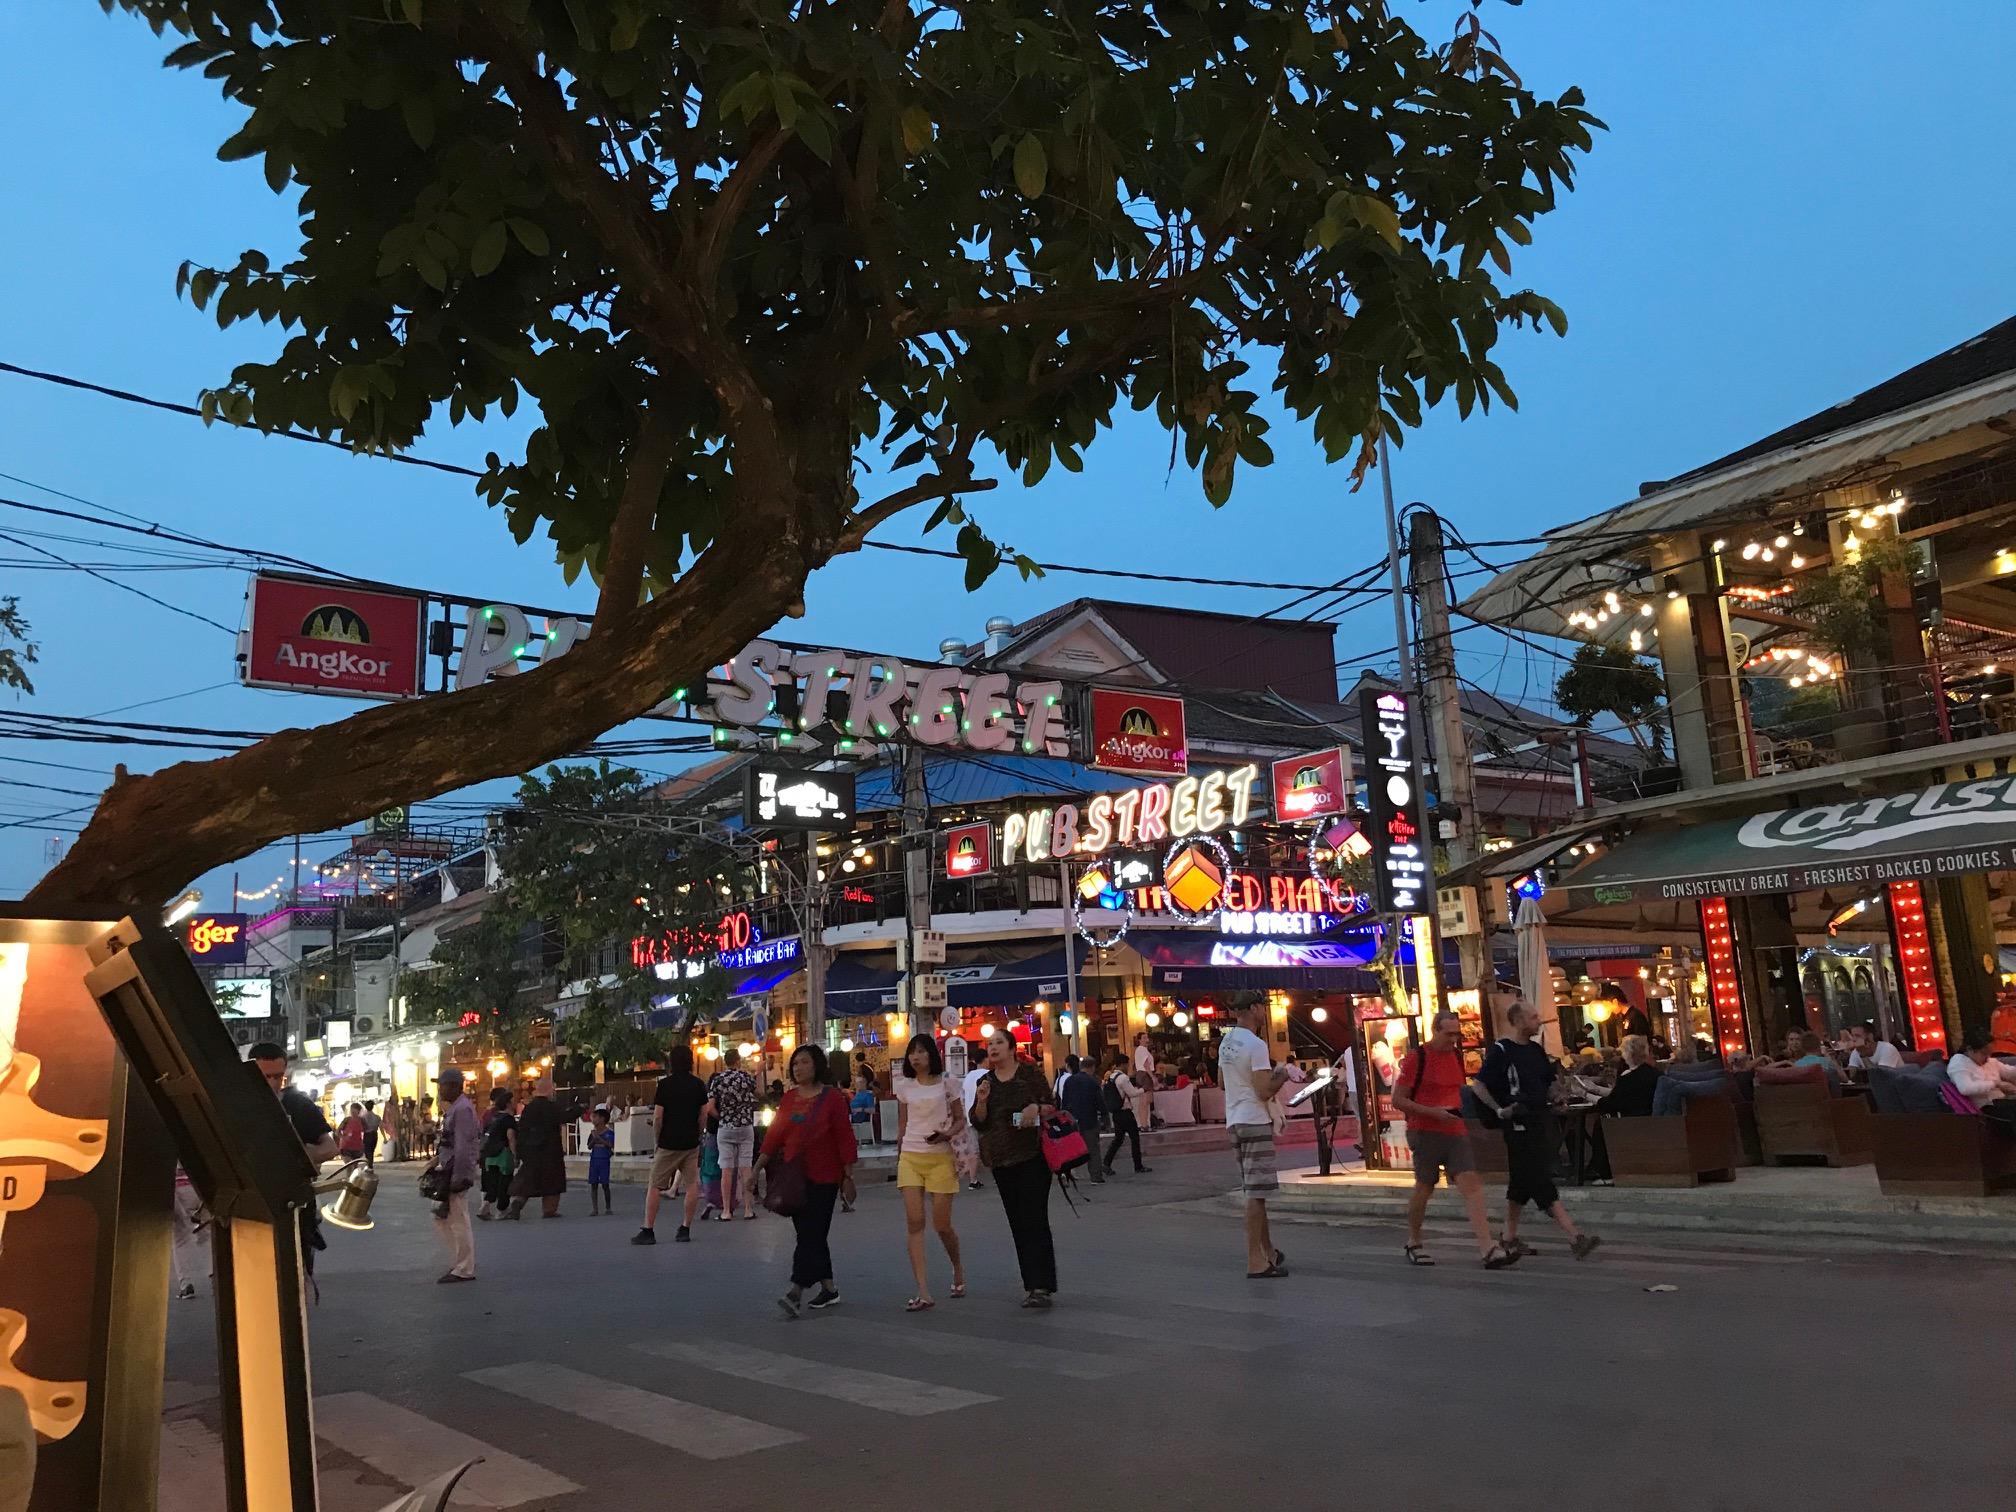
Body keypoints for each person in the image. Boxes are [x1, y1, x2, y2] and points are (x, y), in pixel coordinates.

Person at [1469, 1003, 1601, 1262]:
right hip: (1517, 1122)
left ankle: (1508, 1238)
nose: (1538, 1020)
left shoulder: (1535, 1050)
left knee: (1521, 1182)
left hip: (1539, 1119)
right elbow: (1479, 1085)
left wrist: (1559, 1096)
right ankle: (1574, 1236)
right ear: (1518, 1021)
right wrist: (1499, 1110)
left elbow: (1547, 1081)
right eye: (1533, 1016)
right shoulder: (1501, 1051)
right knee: (1539, 1176)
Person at [1391, 1011, 1514, 1269]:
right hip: (1425, 1130)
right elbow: (1398, 1100)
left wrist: (1469, 1123)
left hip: (1454, 1130)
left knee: (1472, 1185)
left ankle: (1487, 1247)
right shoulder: (1418, 1058)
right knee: (1425, 1187)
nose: (1454, 1039)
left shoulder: (1454, 1057)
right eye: (1448, 1034)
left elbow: (1457, 1093)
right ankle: (1414, 1240)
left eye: (1456, 1034)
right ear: (1435, 1031)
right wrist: (1433, 1113)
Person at [761, 1044, 858, 1318]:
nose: (798, 1068)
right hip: (796, 1178)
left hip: (825, 1178)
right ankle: (829, 1288)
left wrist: (848, 1176)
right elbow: (774, 1136)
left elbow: (844, 1137)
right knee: (811, 1235)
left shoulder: (833, 1099)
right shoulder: (790, 1099)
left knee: (810, 1234)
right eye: (795, 1064)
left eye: (804, 1062)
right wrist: (756, 1168)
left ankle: (795, 1291)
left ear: (816, 1065)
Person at [970, 1029, 1059, 1307]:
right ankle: (1031, 1284)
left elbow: (1050, 1105)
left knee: (1034, 1218)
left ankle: (1042, 1285)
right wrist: (982, 1101)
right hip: (1001, 1159)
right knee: (1018, 1222)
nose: (993, 1048)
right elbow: (979, 1121)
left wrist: (1034, 1109)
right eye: (990, 1044)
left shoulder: (1029, 1074)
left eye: (998, 1043)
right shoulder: (986, 1081)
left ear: (1011, 1048)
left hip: (1032, 1156)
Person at [248, 1042, 337, 1282]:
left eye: (278, 1077)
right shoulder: (242, 1107)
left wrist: (300, 1154)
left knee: (294, 1278)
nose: (273, 1083)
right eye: (265, 1077)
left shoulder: (298, 1104)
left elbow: (330, 1147)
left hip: (296, 1206)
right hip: (253, 1208)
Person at [892, 1033, 966, 1310]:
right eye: (912, 1052)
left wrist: (947, 1134)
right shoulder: (904, 1086)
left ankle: (957, 1266)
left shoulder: (948, 1083)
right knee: (914, 1221)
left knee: (942, 1225)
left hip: (940, 1158)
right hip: (911, 1156)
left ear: (931, 1055)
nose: (916, 1056)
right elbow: (902, 1125)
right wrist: (898, 1155)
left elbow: (960, 1119)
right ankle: (923, 1291)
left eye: (922, 1051)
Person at [1220, 996, 1291, 1279]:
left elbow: (1221, 1082)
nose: (1265, 1012)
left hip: (1234, 1119)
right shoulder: (1256, 1044)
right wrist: (1281, 1076)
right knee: (1257, 1194)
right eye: (1263, 1007)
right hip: (1254, 1119)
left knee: (1253, 1189)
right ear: (1253, 1009)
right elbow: (1263, 1091)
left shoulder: (1226, 1042)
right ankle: (1255, 1260)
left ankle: (1268, 1252)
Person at [636, 1044, 708, 1245]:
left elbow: (658, 1117)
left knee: (655, 1185)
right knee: (691, 1184)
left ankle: (648, 1229)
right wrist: (699, 1134)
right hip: (690, 1142)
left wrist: (657, 1139)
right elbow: (703, 1115)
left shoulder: (665, 1085)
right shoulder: (698, 1084)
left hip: (668, 1142)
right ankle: (685, 1227)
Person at [427, 1067, 480, 1283]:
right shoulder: (456, 1109)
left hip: (455, 1171)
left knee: (457, 1218)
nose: (440, 1089)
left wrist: (460, 1175)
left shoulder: (462, 1110)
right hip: (449, 1167)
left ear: (455, 1087)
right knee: (443, 1216)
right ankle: (461, 1260)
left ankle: (464, 1266)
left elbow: (463, 1145)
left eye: (443, 1085)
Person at [704, 1046, 761, 1221]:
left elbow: (710, 1108)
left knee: (726, 1170)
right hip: (745, 1127)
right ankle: (748, 1209)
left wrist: (723, 1117)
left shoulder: (718, 1080)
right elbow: (759, 1093)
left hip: (726, 1128)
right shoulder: (745, 1078)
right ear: (738, 1061)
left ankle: (727, 1210)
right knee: (746, 1168)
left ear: (725, 1062)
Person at [508, 1086, 568, 1218]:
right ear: (548, 1092)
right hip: (551, 1150)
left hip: (531, 1151)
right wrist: (578, 1110)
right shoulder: (552, 1107)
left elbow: (521, 1130)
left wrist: (520, 1151)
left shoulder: (528, 1109)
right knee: (552, 1182)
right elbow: (564, 1117)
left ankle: (518, 1202)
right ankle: (549, 1210)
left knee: (529, 1180)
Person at [1056, 1055, 1105, 1186]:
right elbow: (1100, 1101)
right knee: (1093, 1149)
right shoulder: (1093, 1081)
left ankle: (1066, 1174)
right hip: (1089, 1119)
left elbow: (1064, 1101)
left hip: (1073, 1120)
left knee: (1071, 1149)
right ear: (1093, 1067)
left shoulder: (1069, 1081)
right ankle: (1095, 1177)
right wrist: (1105, 1117)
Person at [1947, 1031, 2016, 1118]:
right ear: (1970, 1050)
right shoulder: (1959, 1063)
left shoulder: (1990, 1062)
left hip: (2001, 1102)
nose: (1987, 1058)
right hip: (1985, 1108)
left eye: (1990, 1054)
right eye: (1984, 1054)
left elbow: (2009, 1072)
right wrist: (1996, 1084)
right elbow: (1965, 1088)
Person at [1100, 1057, 1150, 1176]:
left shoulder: (1110, 1077)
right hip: (1125, 1112)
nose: (1128, 1067)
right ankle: (1138, 1165)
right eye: (1127, 1064)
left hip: (1116, 1112)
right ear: (1122, 1064)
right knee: (1134, 1138)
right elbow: (1132, 1093)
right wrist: (1143, 1089)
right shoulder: (1123, 1078)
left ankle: (1106, 1163)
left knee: (1118, 1139)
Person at [476, 1086, 516, 1220]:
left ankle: (485, 1206)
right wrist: (515, 1154)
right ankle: (502, 1210)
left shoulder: (492, 1117)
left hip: (489, 1153)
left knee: (491, 1182)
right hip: (503, 1154)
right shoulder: (508, 1119)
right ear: (508, 1103)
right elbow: (510, 1137)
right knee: (505, 1181)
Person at [586, 1106, 616, 1214]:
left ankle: (608, 1207)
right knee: (593, 1184)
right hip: (594, 1159)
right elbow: (589, 1146)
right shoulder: (593, 1133)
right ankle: (595, 1209)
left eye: (596, 1117)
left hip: (604, 1160)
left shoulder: (609, 1133)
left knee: (605, 1184)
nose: (593, 1119)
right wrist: (594, 1139)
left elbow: (610, 1145)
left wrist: (599, 1138)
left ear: (602, 1119)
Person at [1132, 1031, 1161, 1128]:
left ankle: (1144, 1123)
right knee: (1145, 1101)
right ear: (1139, 1040)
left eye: (1146, 1038)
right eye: (1143, 1038)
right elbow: (1146, 1064)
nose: (1146, 1040)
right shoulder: (1142, 1050)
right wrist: (1152, 1077)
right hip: (1145, 1074)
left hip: (1142, 1073)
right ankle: (1144, 1124)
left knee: (1145, 1100)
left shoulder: (1142, 1050)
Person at [360, 1100, 382, 1167]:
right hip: (374, 1135)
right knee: (371, 1151)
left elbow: (362, 1128)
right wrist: (384, 1137)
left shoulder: (363, 1117)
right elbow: (381, 1127)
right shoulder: (377, 1117)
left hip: (367, 1135)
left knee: (367, 1152)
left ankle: (369, 1165)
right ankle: (370, 1165)